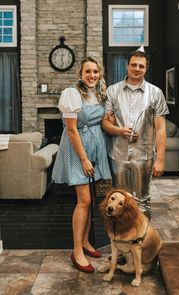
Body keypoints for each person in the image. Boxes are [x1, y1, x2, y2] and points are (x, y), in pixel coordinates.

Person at [52, 57, 111, 273]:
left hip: (97, 146)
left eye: (95, 71)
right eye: (88, 71)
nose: (92, 75)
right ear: (80, 73)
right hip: (78, 148)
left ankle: (86, 242)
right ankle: (77, 250)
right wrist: (84, 158)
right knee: (84, 200)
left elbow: (104, 120)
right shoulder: (72, 94)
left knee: (92, 200)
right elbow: (71, 130)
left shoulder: (100, 93)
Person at [102, 46, 169, 220]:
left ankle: (142, 241)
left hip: (144, 156)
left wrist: (160, 159)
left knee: (142, 200)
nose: (137, 69)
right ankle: (121, 241)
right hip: (118, 154)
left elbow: (161, 129)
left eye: (141, 66)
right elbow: (105, 123)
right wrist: (119, 130)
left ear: (146, 68)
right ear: (127, 65)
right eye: (134, 65)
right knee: (118, 199)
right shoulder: (112, 91)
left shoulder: (155, 93)